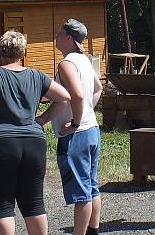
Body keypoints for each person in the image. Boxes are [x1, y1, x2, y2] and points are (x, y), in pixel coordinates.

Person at [0, 31, 71, 235]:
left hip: (0, 143)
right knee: (34, 202)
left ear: (0, 52)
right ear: (23, 53)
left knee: (3, 205)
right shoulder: (36, 75)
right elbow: (64, 97)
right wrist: (42, 120)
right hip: (33, 142)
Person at [37, 19, 104, 235]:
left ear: (68, 37)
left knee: (81, 191)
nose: (56, 36)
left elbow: (74, 95)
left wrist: (76, 121)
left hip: (78, 135)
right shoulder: (84, 60)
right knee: (92, 185)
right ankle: (93, 230)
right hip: (92, 130)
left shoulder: (66, 64)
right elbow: (98, 87)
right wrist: (86, 112)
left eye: (59, 33)